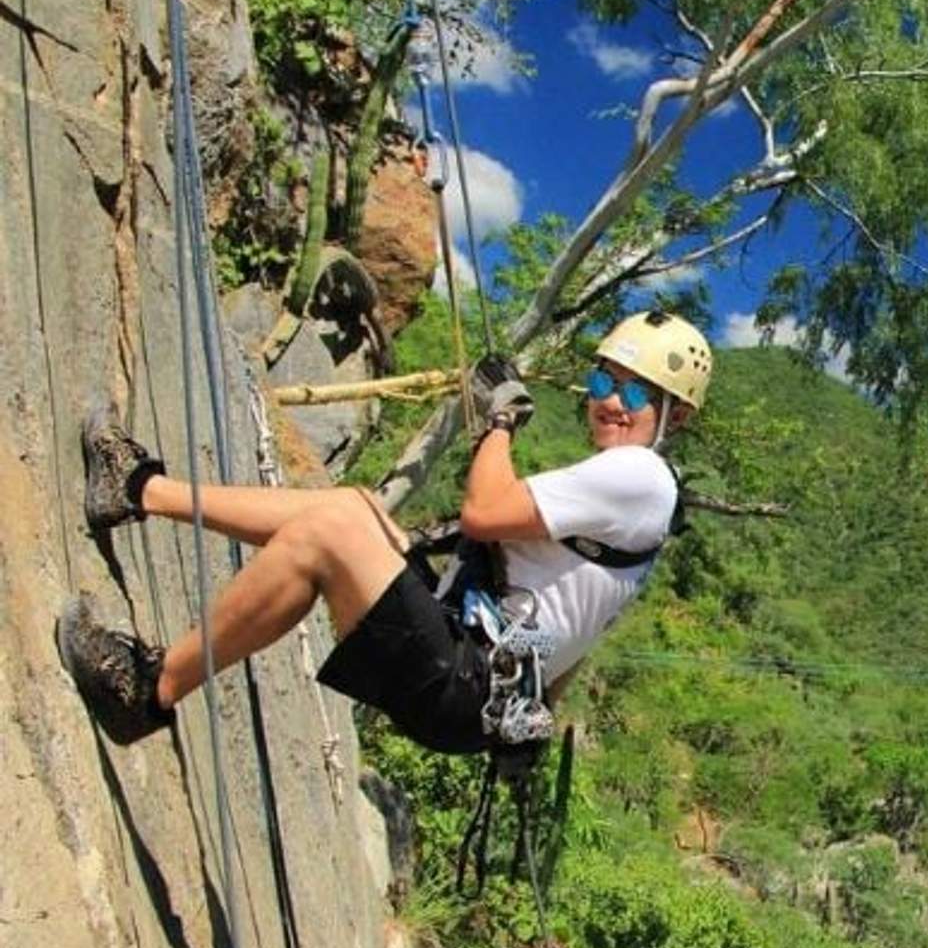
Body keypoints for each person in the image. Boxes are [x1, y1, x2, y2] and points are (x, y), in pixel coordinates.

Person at [58, 310, 711, 755]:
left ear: (673, 414)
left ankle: (149, 691)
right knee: (359, 508)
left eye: (634, 393)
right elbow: (572, 615)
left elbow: (485, 510)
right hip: (478, 674)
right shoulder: (643, 493)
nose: (610, 401)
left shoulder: (638, 476)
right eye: (603, 380)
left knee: (337, 529)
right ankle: (140, 491)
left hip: (468, 680)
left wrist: (503, 421)